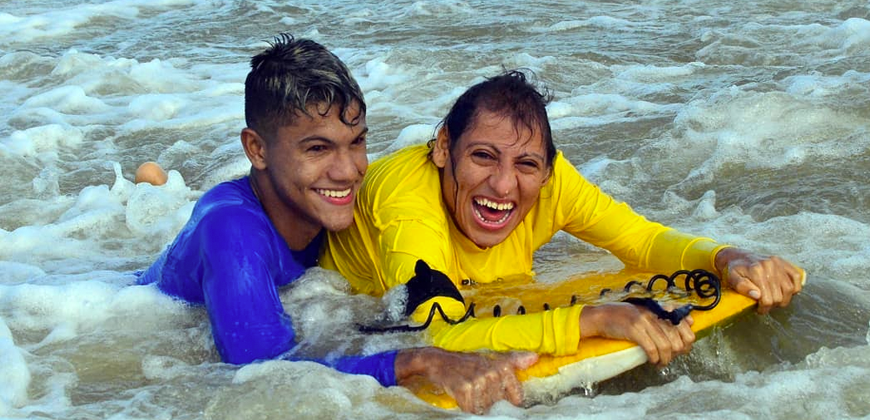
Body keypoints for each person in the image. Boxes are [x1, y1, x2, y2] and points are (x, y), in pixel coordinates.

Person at [136, 35, 536, 415]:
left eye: (357, 142)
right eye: (317, 148)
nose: (348, 172)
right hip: (145, 304)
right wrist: (417, 361)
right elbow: (264, 377)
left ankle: (156, 185)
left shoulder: (327, 201)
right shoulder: (233, 234)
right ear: (257, 149)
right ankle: (153, 186)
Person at [321, 70, 806, 367]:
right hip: (340, 313)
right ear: (444, 148)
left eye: (526, 165)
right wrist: (591, 319)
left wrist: (729, 257)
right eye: (483, 156)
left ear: (548, 167)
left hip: (477, 295)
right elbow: (433, 336)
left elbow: (640, 240)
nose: (505, 185)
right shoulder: (407, 204)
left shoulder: (553, 179)